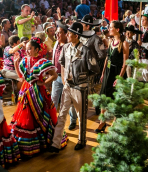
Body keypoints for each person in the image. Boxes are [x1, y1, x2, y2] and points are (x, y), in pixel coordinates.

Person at [10, 37, 67, 156]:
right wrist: (16, 64)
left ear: (37, 49)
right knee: (27, 117)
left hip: (38, 91)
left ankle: (43, 142)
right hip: (26, 90)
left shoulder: (42, 61)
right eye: (26, 49)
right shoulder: (24, 60)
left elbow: (54, 75)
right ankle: (29, 144)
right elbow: (21, 76)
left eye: (30, 48)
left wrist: (44, 83)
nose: (27, 51)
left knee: (40, 116)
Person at [49, 23, 100, 153]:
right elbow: (62, 64)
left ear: (76, 35)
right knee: (61, 114)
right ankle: (56, 143)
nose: (67, 35)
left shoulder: (86, 50)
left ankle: (81, 141)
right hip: (68, 86)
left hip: (80, 88)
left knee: (81, 115)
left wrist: (84, 79)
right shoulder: (65, 47)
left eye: (69, 33)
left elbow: (94, 69)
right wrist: (66, 80)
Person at [95, 21, 129, 133]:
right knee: (104, 96)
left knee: (116, 99)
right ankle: (102, 122)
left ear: (117, 29)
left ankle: (114, 122)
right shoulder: (110, 41)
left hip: (117, 72)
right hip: (108, 72)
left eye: (111, 27)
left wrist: (119, 78)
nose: (109, 29)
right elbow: (107, 58)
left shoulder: (124, 43)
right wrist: (103, 72)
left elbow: (125, 63)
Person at [51, 21, 68, 110]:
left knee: (68, 102)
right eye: (56, 33)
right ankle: (51, 120)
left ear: (66, 34)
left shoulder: (69, 45)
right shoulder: (56, 43)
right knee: (53, 99)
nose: (57, 35)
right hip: (56, 76)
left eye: (60, 33)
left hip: (67, 77)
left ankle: (73, 122)